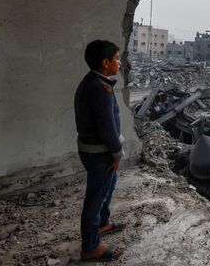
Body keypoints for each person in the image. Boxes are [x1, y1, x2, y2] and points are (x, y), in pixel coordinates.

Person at [74, 40, 126, 262]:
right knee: (95, 197)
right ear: (105, 63)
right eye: (116, 58)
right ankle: (91, 247)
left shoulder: (94, 81)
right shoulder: (100, 89)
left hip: (96, 150)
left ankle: (103, 223)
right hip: (100, 152)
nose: (120, 63)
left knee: (108, 186)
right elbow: (107, 128)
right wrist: (117, 153)